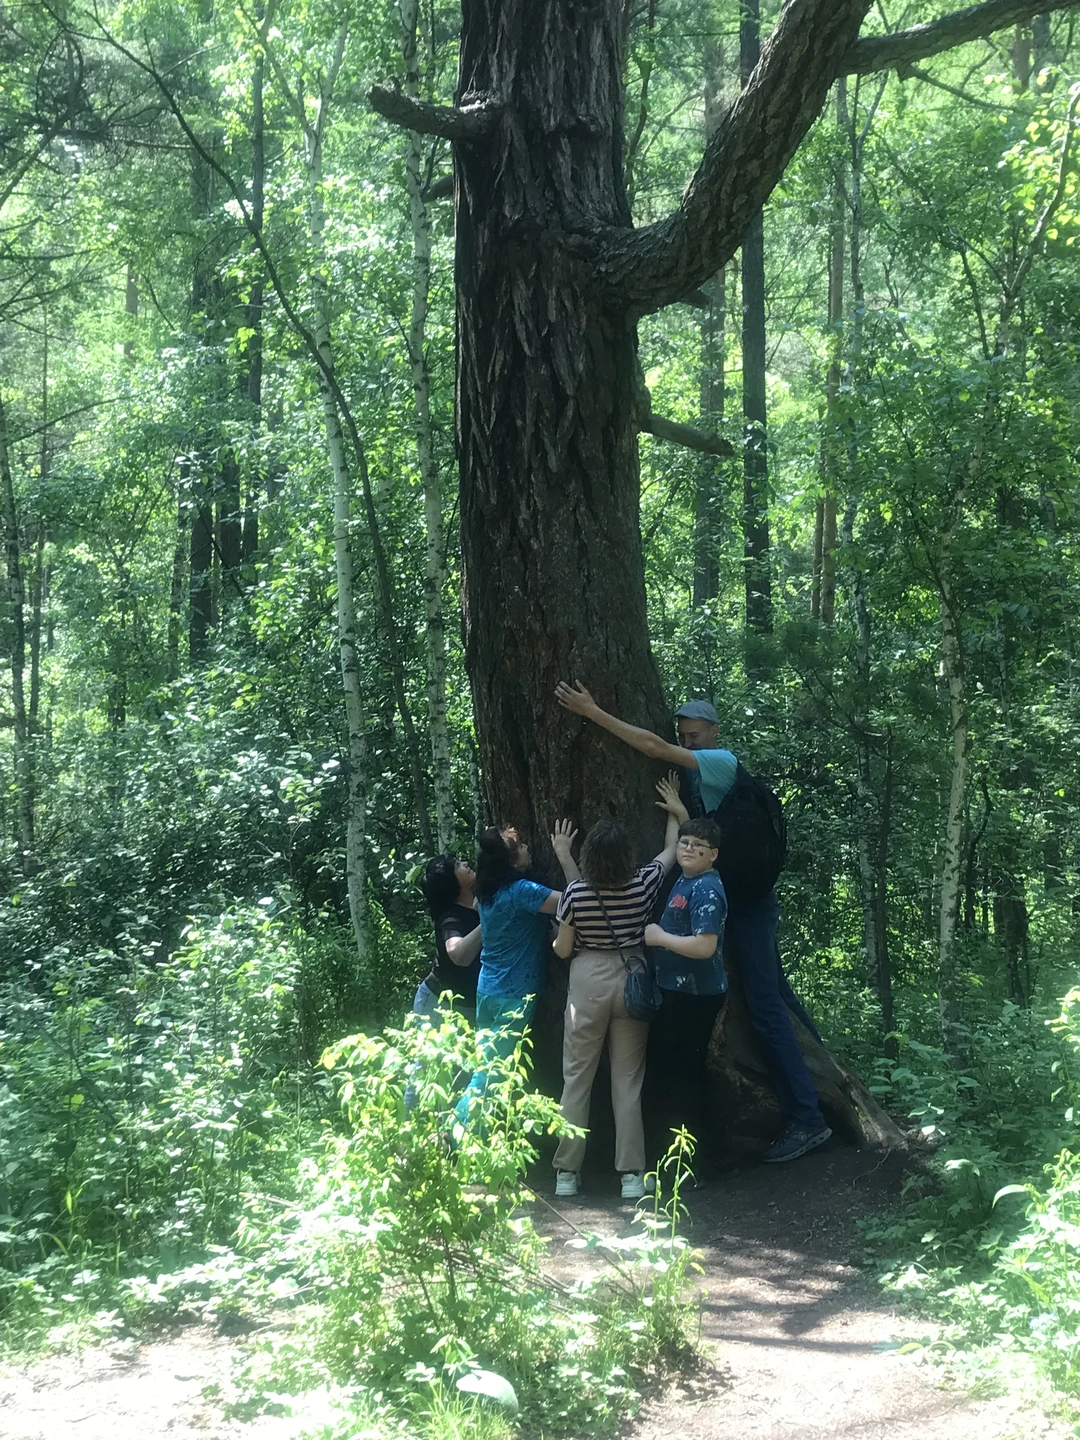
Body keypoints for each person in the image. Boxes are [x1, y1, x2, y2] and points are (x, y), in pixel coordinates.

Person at [554, 680, 831, 1163]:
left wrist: (591, 709)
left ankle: (808, 1117)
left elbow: (651, 747)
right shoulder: (704, 779)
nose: (686, 745)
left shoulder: (721, 762)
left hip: (745, 906)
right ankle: (823, 1085)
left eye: (695, 736)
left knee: (766, 1006)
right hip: (736, 898)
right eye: (683, 736)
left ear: (715, 733)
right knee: (778, 999)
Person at [550, 774, 688, 1201]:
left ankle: (566, 1174)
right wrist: (675, 811)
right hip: (633, 976)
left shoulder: (575, 895)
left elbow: (562, 949)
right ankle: (631, 1175)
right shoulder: (643, 884)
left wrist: (561, 854)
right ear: (627, 854)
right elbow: (668, 852)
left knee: (577, 1079)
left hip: (588, 979)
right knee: (627, 1081)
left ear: (589, 854)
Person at [453, 820, 579, 1130]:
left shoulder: (486, 893)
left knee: (489, 1066)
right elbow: (576, 901)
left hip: (488, 990)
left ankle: (482, 1138)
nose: (527, 848)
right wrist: (564, 855)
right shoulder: (522, 892)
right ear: (510, 861)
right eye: (520, 846)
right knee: (491, 1071)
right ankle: (452, 1134)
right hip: (514, 995)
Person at [643, 816, 728, 1167]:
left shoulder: (706, 888)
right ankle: (681, 1157)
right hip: (675, 993)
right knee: (674, 1073)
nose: (689, 849)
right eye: (684, 843)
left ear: (713, 855)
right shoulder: (686, 878)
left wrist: (660, 939)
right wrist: (675, 813)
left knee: (682, 1078)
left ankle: (689, 1163)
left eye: (698, 846)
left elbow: (705, 945)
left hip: (694, 997)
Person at [415, 854, 482, 1022]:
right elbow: (457, 953)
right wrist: (489, 921)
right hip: (438, 1006)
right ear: (451, 883)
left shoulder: (481, 900)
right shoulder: (450, 917)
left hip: (469, 1005)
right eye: (458, 865)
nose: (466, 863)